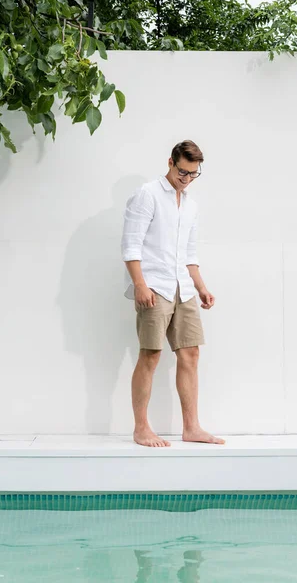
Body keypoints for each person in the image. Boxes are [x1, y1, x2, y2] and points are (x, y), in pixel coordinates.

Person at [121, 140, 225, 448]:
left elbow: (189, 255)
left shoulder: (190, 205)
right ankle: (141, 428)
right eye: (182, 171)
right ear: (170, 162)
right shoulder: (147, 194)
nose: (187, 178)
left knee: (191, 354)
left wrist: (202, 288)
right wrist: (140, 284)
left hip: (184, 287)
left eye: (193, 174)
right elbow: (131, 246)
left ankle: (191, 427)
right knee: (151, 355)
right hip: (154, 284)